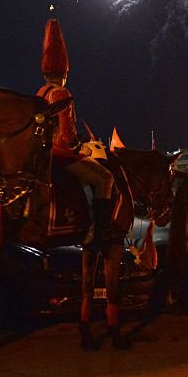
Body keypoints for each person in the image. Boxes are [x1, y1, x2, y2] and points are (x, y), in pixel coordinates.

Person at [36, 19, 115, 247]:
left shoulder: (40, 92)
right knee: (106, 178)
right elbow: (68, 137)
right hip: (61, 154)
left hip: (44, 154)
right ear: (64, 72)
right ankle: (100, 233)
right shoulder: (61, 93)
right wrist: (82, 147)